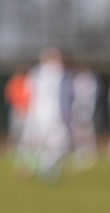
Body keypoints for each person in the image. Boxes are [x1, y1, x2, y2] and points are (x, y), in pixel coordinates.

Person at [15, 48, 73, 182]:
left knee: (35, 142)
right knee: (59, 142)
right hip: (50, 113)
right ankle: (45, 168)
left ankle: (34, 166)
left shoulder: (35, 73)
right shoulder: (55, 71)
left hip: (36, 112)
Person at [69, 64, 99, 170]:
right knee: (78, 135)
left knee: (86, 134)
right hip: (77, 111)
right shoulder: (77, 81)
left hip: (84, 111)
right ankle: (80, 155)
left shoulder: (89, 83)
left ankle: (89, 154)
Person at [4, 68, 31, 153]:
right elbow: (9, 96)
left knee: (27, 134)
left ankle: (23, 151)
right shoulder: (14, 82)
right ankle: (12, 150)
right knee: (15, 133)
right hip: (18, 110)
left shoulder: (29, 81)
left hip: (28, 111)